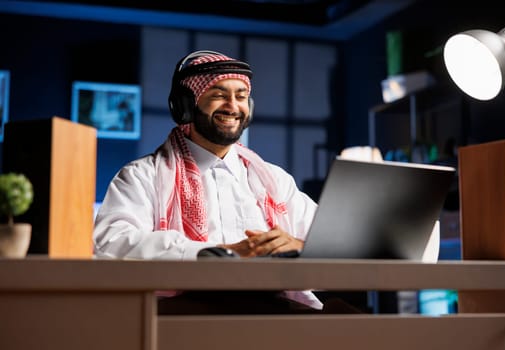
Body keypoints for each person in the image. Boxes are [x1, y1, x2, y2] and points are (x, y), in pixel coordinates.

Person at [93, 50, 358, 314]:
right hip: (181, 316)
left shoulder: (274, 181)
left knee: (353, 322)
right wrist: (214, 254)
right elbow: (111, 245)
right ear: (185, 105)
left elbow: (331, 242)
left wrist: (300, 248)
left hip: (276, 313)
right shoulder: (142, 176)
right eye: (219, 95)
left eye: (241, 97)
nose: (233, 106)